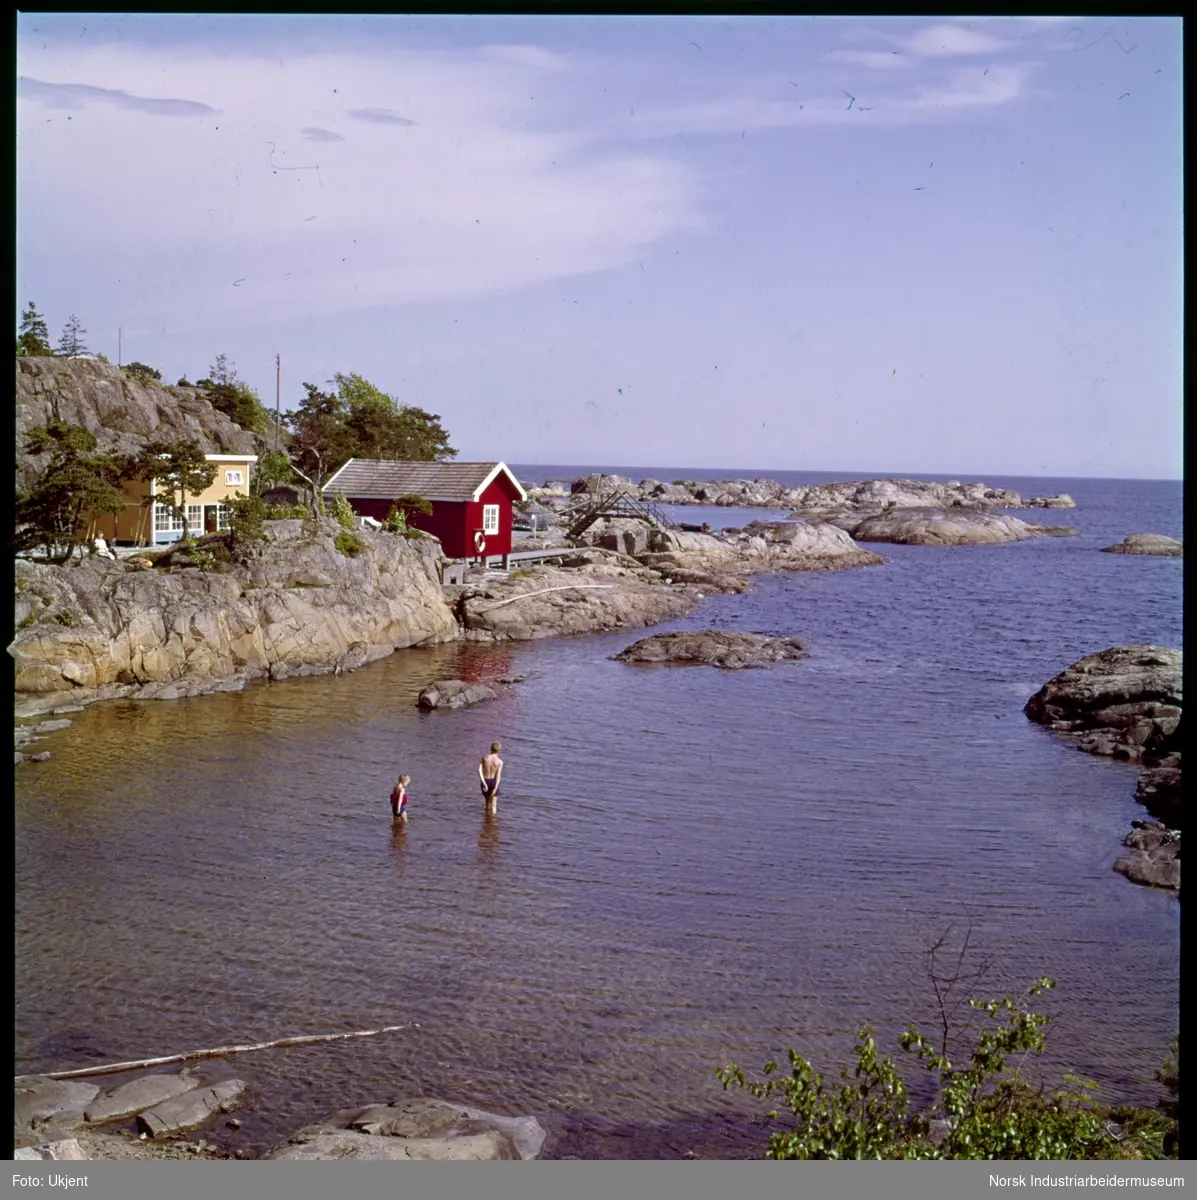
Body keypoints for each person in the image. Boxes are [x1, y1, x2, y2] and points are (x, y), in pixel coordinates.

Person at [478, 742, 503, 814]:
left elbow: (479, 771)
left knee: (487, 803)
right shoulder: (500, 762)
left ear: (491, 748)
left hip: (485, 780)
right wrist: (495, 788)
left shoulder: (485, 758)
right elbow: (498, 776)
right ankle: (493, 822)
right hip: (494, 782)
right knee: (494, 805)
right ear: (499, 750)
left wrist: (484, 783)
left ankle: (487, 820)